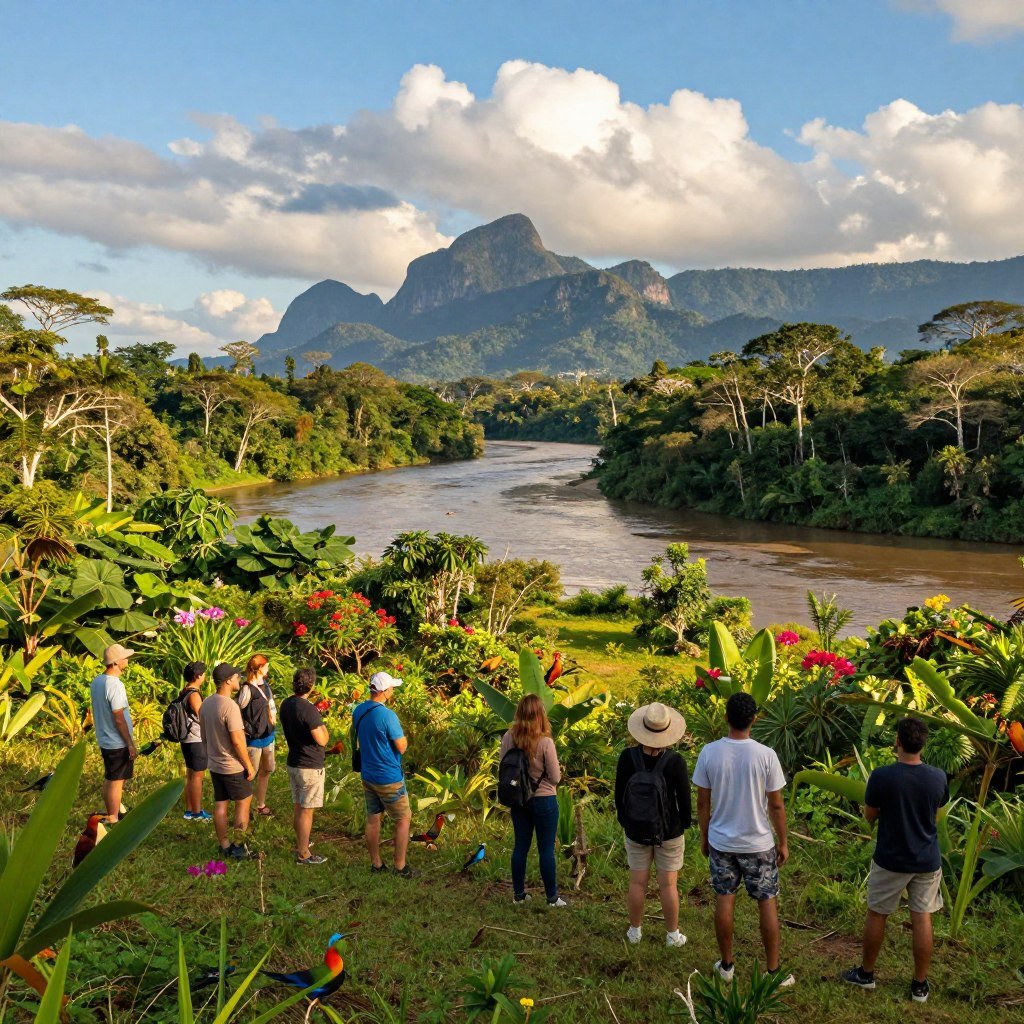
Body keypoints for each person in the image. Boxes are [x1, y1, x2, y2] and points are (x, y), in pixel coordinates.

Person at [842, 717, 949, 1004]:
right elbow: (937, 814)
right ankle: (920, 985)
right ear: (922, 744)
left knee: (878, 913)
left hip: (891, 857)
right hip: (926, 859)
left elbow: (869, 815)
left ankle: (866, 974)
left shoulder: (882, 776)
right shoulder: (938, 777)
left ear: (898, 742)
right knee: (922, 917)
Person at [693, 692, 793, 986]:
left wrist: (704, 835)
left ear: (726, 717)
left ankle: (726, 966)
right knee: (767, 903)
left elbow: (702, 802)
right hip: (758, 844)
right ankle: (773, 971)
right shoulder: (765, 755)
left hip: (721, 842)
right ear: (754, 720)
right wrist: (783, 841)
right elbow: (776, 805)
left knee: (724, 901)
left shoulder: (709, 753)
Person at [615, 701, 690, 945]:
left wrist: (626, 821)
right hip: (669, 832)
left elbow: (619, 796)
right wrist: (684, 824)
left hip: (636, 829)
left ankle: (634, 932)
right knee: (668, 885)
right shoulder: (676, 761)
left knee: (637, 882)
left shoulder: (627, 757)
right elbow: (684, 800)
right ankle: (672, 935)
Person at [499, 694, 566, 908]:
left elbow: (503, 767)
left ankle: (518, 895)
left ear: (519, 713)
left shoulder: (509, 737)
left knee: (520, 847)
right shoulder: (545, 742)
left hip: (519, 800)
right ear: (540, 715)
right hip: (544, 799)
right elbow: (555, 777)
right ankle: (552, 898)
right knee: (546, 849)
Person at [352, 671, 414, 877]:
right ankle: (400, 866)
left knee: (373, 818)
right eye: (391, 688)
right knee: (403, 818)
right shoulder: (388, 715)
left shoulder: (359, 710)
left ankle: (376, 863)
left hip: (368, 774)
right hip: (389, 776)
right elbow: (401, 746)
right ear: (385, 691)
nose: (393, 691)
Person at [199, 663, 256, 860]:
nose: (239, 678)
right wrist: (248, 765)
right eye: (236, 676)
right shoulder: (230, 706)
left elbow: (204, 735)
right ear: (228, 681)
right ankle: (239, 846)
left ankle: (223, 844)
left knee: (220, 804)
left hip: (215, 764)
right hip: (232, 765)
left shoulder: (206, 703)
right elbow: (238, 741)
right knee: (243, 802)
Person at [280, 666, 330, 866]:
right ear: (311, 685)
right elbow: (322, 739)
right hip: (309, 765)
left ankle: (302, 843)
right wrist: (323, 726)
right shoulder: (309, 709)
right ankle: (304, 853)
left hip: (294, 761)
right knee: (307, 810)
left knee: (299, 806)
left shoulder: (286, 704)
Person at [90, 644, 137, 824]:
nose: (127, 660)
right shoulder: (115, 685)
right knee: (116, 780)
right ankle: (113, 817)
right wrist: (130, 743)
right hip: (117, 741)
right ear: (116, 663)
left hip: (105, 738)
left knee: (111, 778)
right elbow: (118, 717)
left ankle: (113, 811)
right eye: (125, 658)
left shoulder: (98, 681)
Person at [238, 654, 277, 818]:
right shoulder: (247, 689)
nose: (268, 669)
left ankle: (260, 804)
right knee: (250, 774)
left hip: (268, 737)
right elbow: (238, 709)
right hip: (253, 740)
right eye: (266, 666)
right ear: (259, 668)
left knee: (267, 770)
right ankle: (246, 808)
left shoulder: (266, 685)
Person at [179, 661, 211, 822]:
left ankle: (189, 810)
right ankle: (197, 812)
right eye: (204, 674)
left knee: (191, 774)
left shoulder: (183, 691)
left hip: (186, 739)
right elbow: (201, 716)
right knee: (197, 776)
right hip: (196, 738)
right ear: (198, 676)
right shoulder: (193, 694)